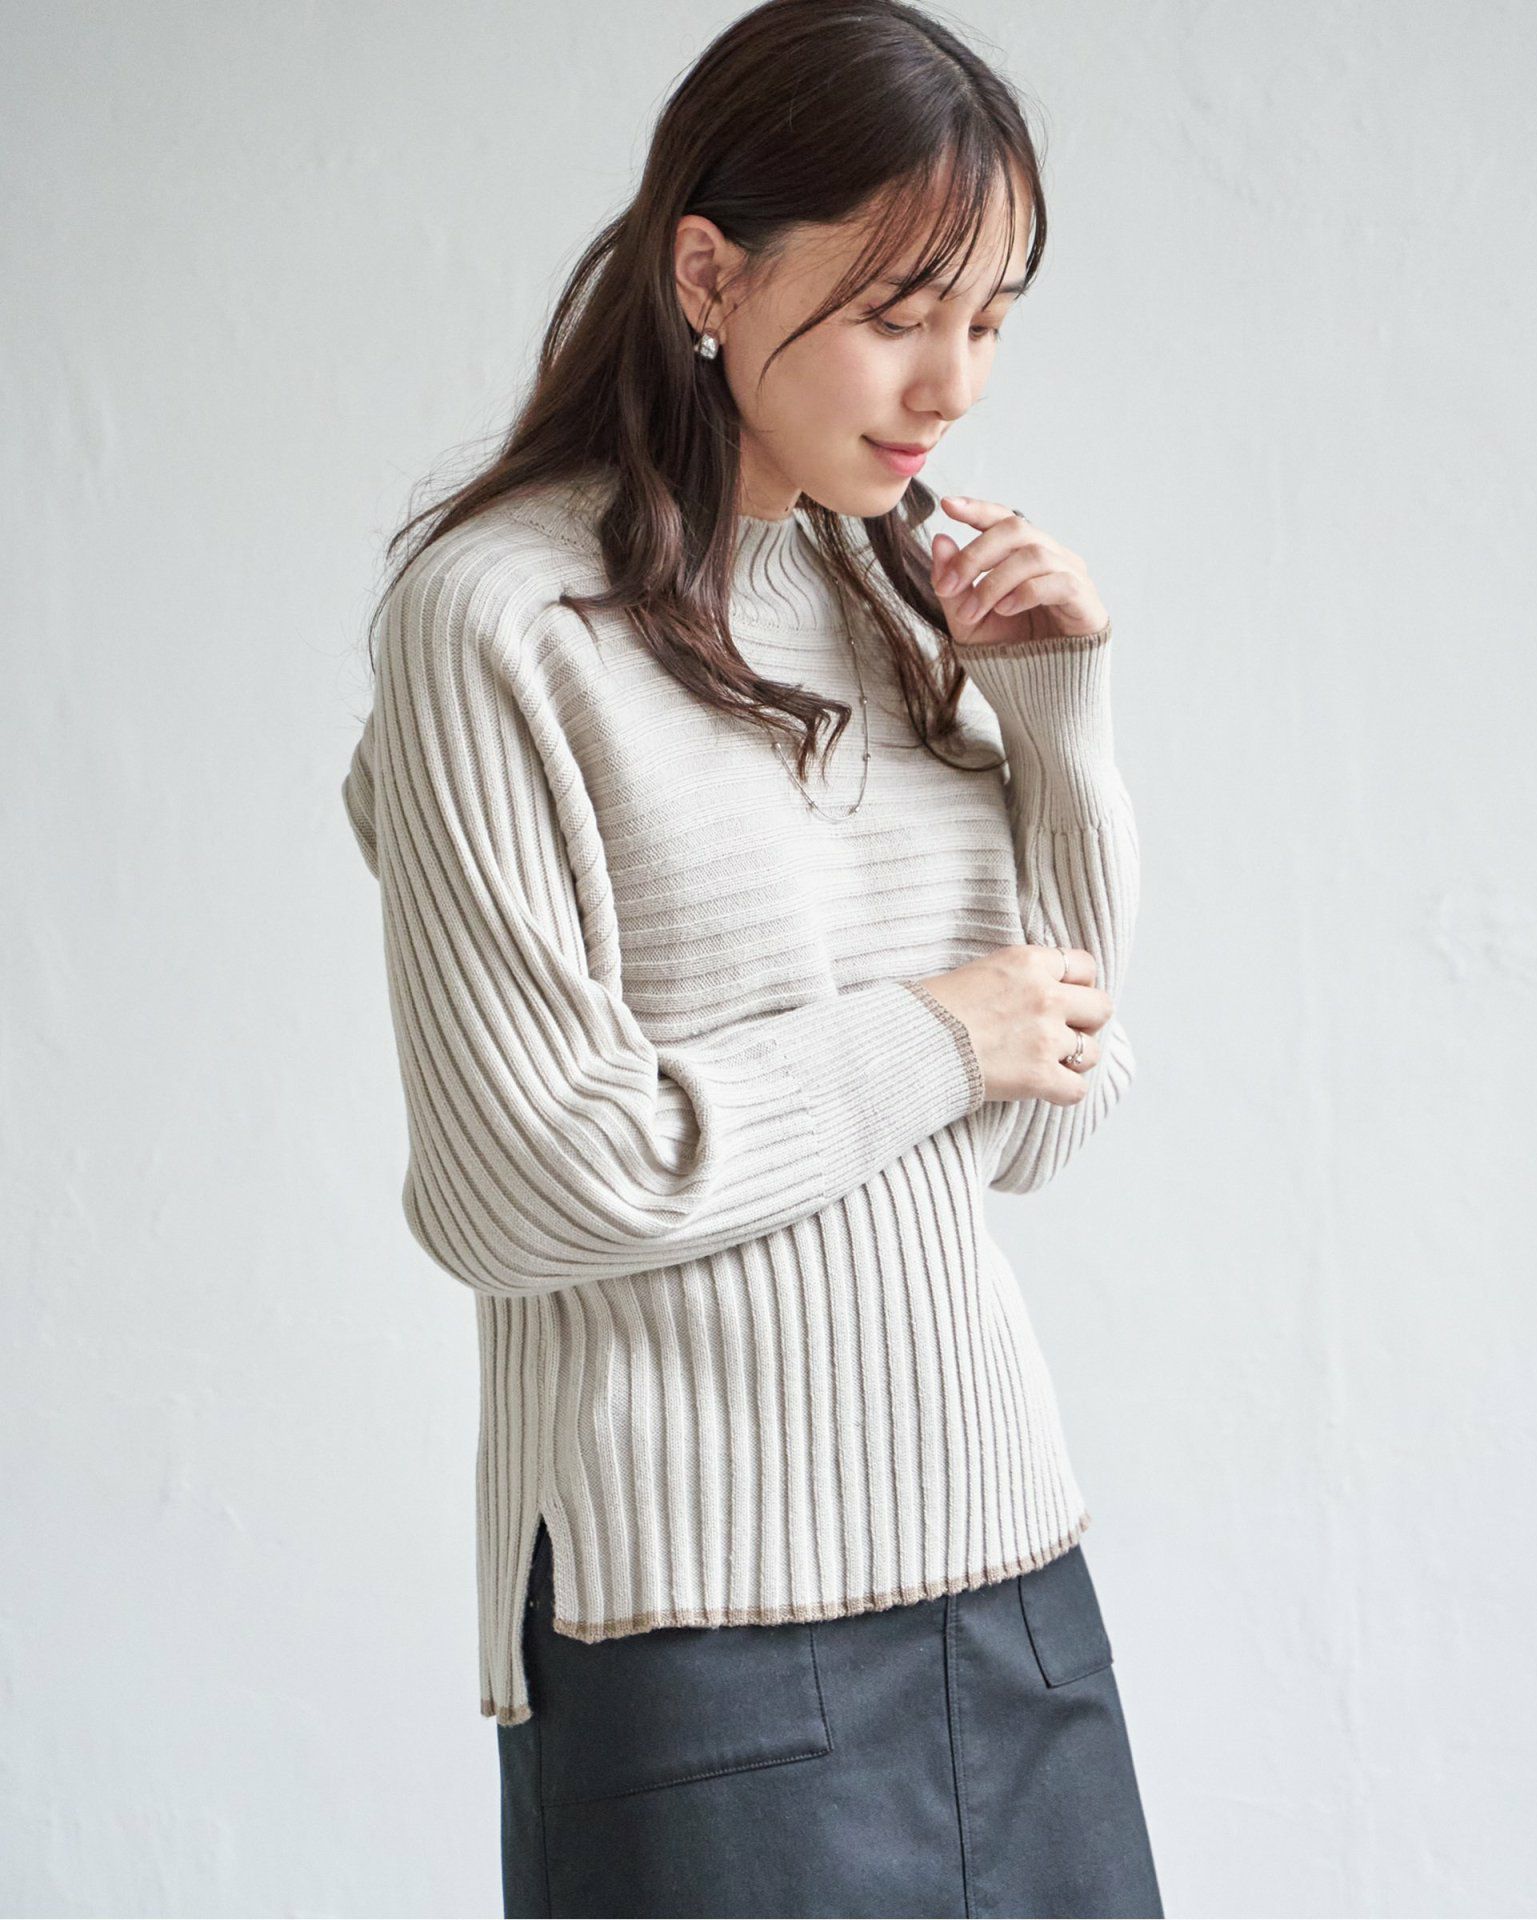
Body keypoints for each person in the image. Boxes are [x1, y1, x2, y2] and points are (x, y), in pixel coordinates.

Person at [340, 0, 1162, 1912]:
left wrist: (1060, 715)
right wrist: (930, 1037)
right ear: (708, 274)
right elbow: (519, 1182)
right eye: (901, 311)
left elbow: (1044, 1117)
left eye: (992, 319)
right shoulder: (498, 619)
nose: (952, 383)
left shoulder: (902, 597)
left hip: (1011, 1584)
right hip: (692, 1622)